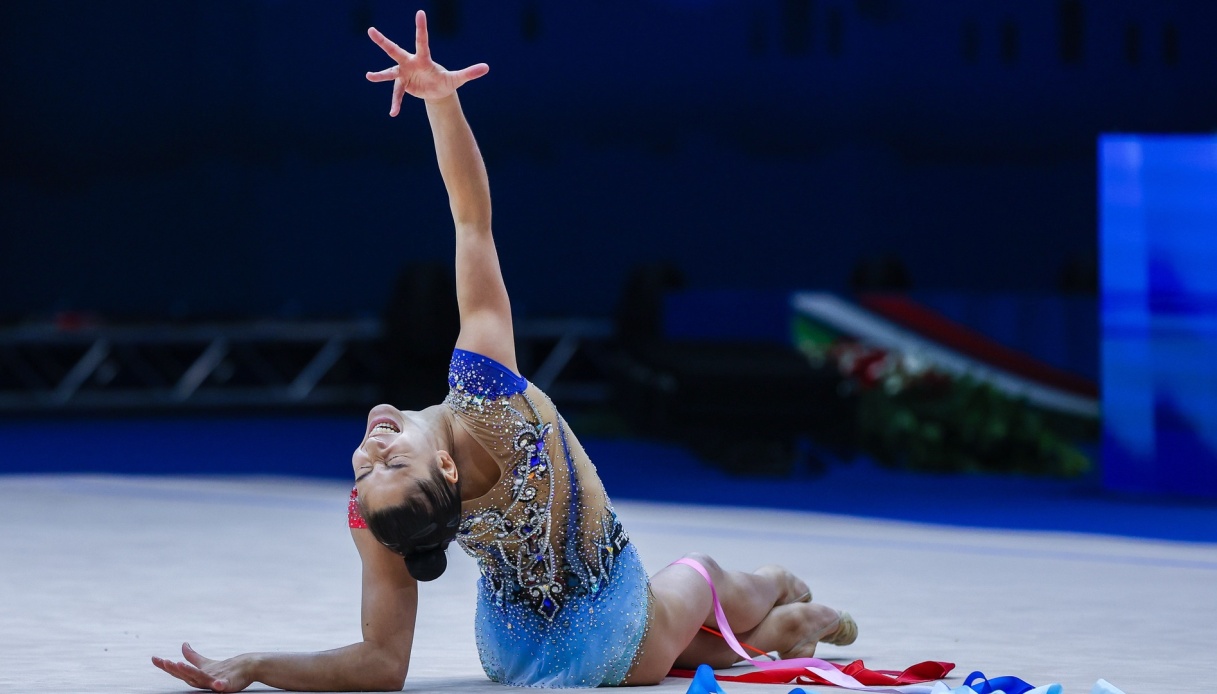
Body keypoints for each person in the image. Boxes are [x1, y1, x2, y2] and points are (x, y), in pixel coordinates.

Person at [151, 11, 856, 692]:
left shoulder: (379, 512)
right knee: (695, 574)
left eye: (367, 469)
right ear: (446, 465)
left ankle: (783, 629)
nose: (369, 452)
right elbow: (471, 222)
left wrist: (254, 664)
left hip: (514, 653)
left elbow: (379, 663)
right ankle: (780, 592)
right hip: (612, 631)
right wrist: (442, 103)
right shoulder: (486, 396)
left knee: (666, 644)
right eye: (389, 461)